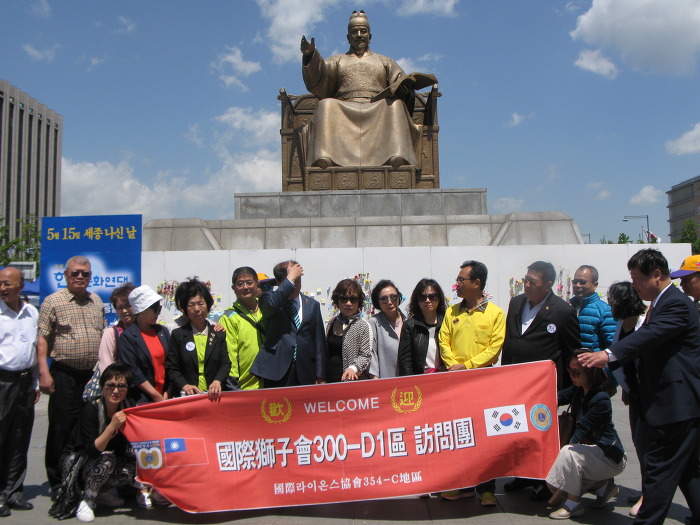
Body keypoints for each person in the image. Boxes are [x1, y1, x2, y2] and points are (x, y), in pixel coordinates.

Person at [579, 249, 700, 524]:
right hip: (675, 402)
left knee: (659, 470)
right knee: (689, 469)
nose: (634, 285)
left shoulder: (676, 303)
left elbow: (649, 336)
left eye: (636, 278)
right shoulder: (661, 302)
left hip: (675, 403)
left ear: (656, 274)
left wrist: (607, 354)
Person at [300, 10, 433, 169]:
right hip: (344, 106)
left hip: (378, 105)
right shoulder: (337, 60)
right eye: (354, 32)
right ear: (348, 37)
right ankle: (325, 157)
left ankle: (397, 156)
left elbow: (399, 82)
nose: (359, 35)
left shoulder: (385, 61)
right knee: (325, 104)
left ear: (370, 36)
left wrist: (405, 89)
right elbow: (320, 80)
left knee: (396, 105)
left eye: (363, 31)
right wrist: (310, 56)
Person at [501, 260, 580, 500]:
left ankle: (544, 481)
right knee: (518, 431)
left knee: (541, 433)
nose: (526, 285)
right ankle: (522, 475)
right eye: (525, 280)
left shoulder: (562, 311)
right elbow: (512, 339)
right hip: (514, 381)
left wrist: (569, 389)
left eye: (532, 282)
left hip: (542, 387)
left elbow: (571, 351)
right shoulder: (516, 303)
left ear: (548, 284)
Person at [438, 261, 505, 506]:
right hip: (455, 382)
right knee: (461, 434)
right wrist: (453, 365)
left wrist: (466, 366)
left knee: (485, 436)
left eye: (461, 280)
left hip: (483, 382)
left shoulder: (495, 313)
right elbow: (443, 341)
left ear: (476, 283)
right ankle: (463, 485)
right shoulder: (452, 312)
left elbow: (494, 348)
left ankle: (486, 489)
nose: (457, 284)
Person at [38, 256, 105, 494]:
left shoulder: (96, 301)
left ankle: (79, 476)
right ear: (66, 275)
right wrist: (43, 371)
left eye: (85, 274)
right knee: (61, 428)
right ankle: (57, 481)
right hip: (64, 375)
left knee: (87, 427)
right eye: (75, 273)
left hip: (90, 376)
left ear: (90, 277)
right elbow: (42, 338)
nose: (80, 277)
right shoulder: (53, 301)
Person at [48, 363, 136, 522]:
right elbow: (93, 450)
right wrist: (112, 426)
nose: (115, 391)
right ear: (102, 386)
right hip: (81, 462)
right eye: (110, 385)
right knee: (106, 459)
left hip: (108, 458)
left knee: (133, 461)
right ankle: (86, 500)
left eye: (121, 386)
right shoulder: (92, 409)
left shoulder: (128, 407)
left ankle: (101, 492)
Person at [545, 349, 626, 520]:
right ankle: (603, 487)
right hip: (591, 451)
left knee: (568, 455)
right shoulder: (579, 389)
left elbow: (583, 429)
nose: (571, 376)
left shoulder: (601, 399)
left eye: (576, 372)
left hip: (610, 455)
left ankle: (573, 504)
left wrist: (561, 456)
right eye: (569, 371)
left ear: (589, 372)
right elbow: (556, 397)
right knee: (564, 467)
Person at [0, 267, 41, 516]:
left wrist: (35, 383)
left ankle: (14, 492)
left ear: (21, 286)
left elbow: (34, 351)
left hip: (25, 382)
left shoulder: (31, 312)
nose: (2, 288)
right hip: (2, 381)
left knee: (20, 437)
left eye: (8, 284)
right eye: (0, 284)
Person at [250, 261, 327, 387]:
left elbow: (319, 342)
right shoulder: (268, 298)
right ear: (279, 282)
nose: (294, 285)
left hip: (305, 369)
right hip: (277, 369)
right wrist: (289, 279)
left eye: (298, 280)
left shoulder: (312, 305)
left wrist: (320, 375)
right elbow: (271, 306)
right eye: (291, 281)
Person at [607, 282, 647, 518]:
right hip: (633, 390)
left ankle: (649, 495)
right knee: (639, 441)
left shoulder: (644, 322)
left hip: (649, 392)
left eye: (613, 299)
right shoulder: (622, 324)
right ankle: (647, 489)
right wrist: (624, 386)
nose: (610, 303)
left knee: (647, 443)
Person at [167, 279, 231, 401]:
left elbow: (225, 363)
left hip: (214, 396)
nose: (197, 309)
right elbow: (172, 368)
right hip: (187, 398)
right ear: (185, 309)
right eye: (191, 305)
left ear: (208, 305)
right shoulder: (178, 335)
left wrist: (217, 381)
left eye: (201, 304)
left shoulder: (218, 333)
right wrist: (184, 385)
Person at [117, 285, 170, 406]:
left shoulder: (163, 331)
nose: (158, 313)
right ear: (141, 311)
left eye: (159, 309)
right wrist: (155, 395)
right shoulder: (128, 337)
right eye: (155, 309)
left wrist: (168, 391)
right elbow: (132, 370)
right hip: (142, 399)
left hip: (166, 395)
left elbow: (172, 362)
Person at [569, 265, 617, 391]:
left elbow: (613, 348)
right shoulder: (567, 308)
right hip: (572, 377)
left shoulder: (604, 311)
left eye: (582, 282)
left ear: (595, 285)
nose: (577, 285)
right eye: (575, 281)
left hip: (595, 379)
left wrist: (609, 379)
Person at [219, 268, 265, 390]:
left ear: (257, 285)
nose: (245, 287)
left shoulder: (267, 309)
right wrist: (234, 387)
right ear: (233, 288)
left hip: (271, 385)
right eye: (240, 284)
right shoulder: (229, 317)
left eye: (249, 283)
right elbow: (230, 355)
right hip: (244, 388)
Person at [325, 279, 372, 382]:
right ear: (337, 301)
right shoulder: (332, 322)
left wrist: (353, 368)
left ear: (359, 302)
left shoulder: (363, 325)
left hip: (351, 382)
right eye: (344, 299)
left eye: (353, 299)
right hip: (329, 381)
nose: (348, 303)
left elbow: (366, 355)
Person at [398, 278, 447, 376]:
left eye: (432, 297)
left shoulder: (447, 321)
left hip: (446, 376)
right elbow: (405, 360)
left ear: (439, 298)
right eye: (422, 297)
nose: (427, 300)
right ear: (417, 300)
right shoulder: (410, 325)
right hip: (421, 379)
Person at [96, 283, 136, 374]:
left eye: (127, 306)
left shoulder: (146, 330)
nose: (124, 311)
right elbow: (106, 365)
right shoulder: (111, 333)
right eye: (120, 307)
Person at [368, 280, 405, 378]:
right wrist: (375, 379)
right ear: (378, 302)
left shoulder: (408, 321)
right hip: (386, 381)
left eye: (393, 297)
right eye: (384, 299)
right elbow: (372, 354)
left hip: (409, 381)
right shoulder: (374, 323)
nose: (389, 302)